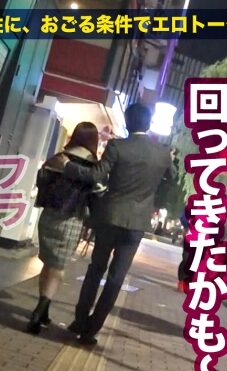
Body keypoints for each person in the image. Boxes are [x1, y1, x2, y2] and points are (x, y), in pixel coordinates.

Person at [48, 103, 176, 345]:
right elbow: (170, 180)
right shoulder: (162, 154)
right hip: (137, 223)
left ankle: (80, 320)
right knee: (116, 278)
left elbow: (96, 175)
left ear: (127, 122)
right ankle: (92, 330)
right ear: (149, 124)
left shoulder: (118, 147)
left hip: (110, 217)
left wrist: (67, 166)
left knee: (96, 269)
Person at [26, 122, 101, 334]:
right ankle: (38, 312)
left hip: (49, 215)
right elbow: (98, 195)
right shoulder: (93, 167)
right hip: (72, 219)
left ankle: (44, 310)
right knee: (57, 268)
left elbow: (41, 181)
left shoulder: (59, 158)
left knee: (49, 264)